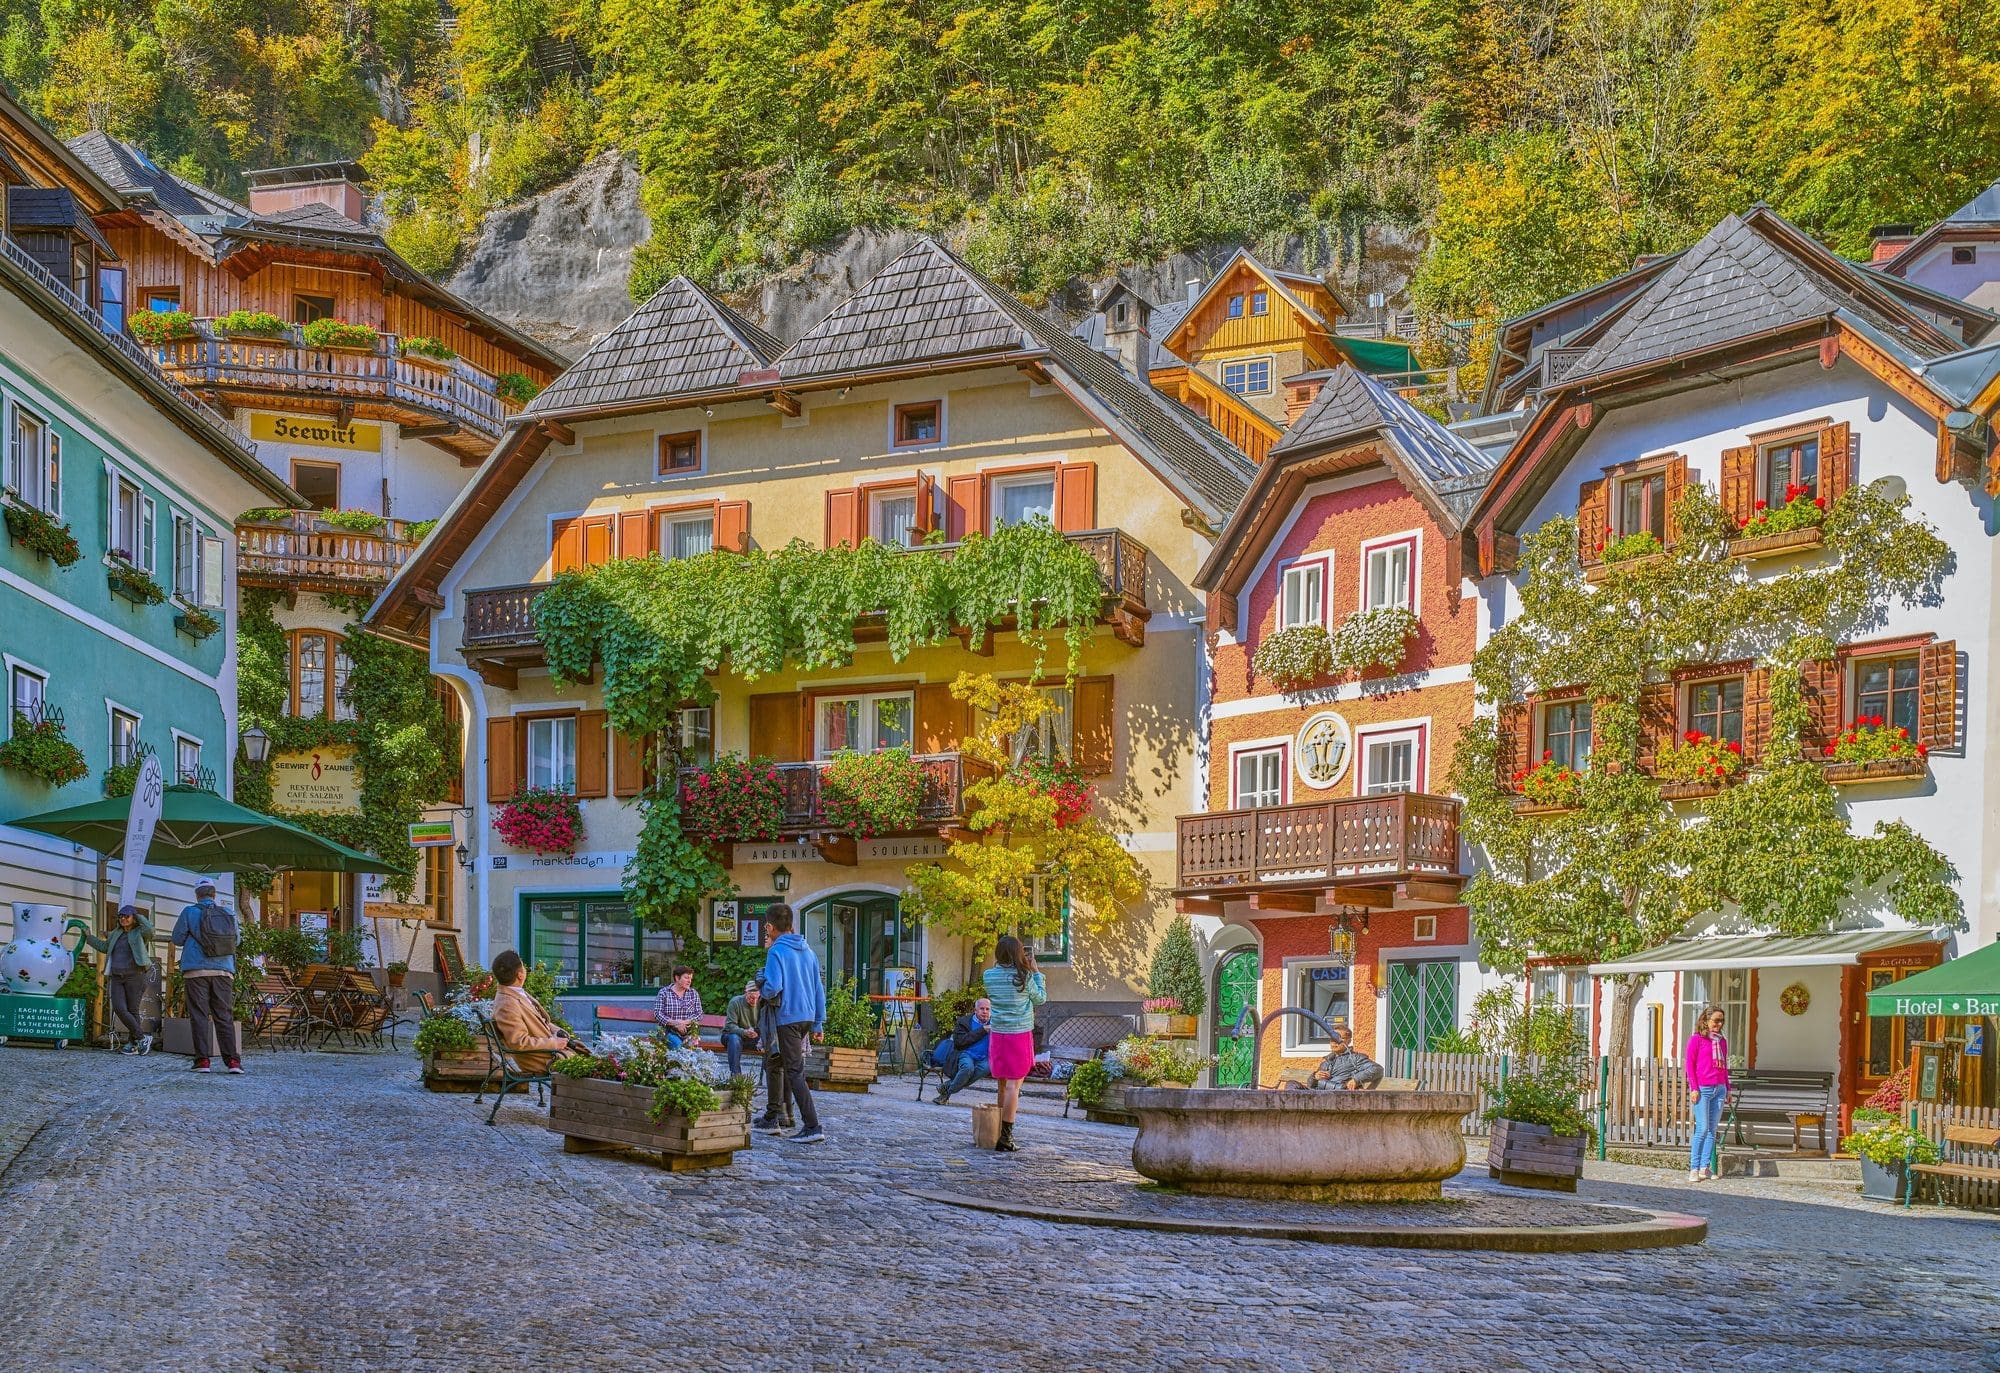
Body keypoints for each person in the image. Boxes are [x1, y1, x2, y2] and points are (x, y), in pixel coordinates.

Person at [757, 904, 827, 1144]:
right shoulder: (809, 952)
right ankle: (771, 1117)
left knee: (795, 1072)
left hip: (787, 1017)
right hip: (806, 1016)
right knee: (774, 1062)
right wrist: (818, 1023)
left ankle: (812, 1125)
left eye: (766, 925)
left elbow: (773, 987)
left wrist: (760, 985)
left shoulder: (776, 951)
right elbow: (819, 990)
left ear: (771, 926)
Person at [981, 937, 1046, 1152]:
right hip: (1019, 1034)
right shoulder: (1025, 977)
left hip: (999, 1034)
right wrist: (1036, 972)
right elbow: (1040, 999)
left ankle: (1000, 1130)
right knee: (1013, 1087)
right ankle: (1006, 1137)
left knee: (1001, 1084)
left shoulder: (989, 976)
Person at [170, 880, 239, 1074]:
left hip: (196, 971)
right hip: (223, 970)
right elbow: (237, 941)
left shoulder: (190, 912)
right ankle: (233, 1062)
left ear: (197, 895)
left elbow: (177, 938)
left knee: (199, 1015)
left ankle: (203, 1061)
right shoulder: (229, 913)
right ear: (214, 895)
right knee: (224, 1015)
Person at [490, 949, 588, 1073]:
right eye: (523, 967)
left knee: (595, 1058)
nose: (526, 969)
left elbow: (537, 1021)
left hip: (549, 1053)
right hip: (543, 1059)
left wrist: (556, 1031)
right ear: (520, 975)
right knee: (595, 1068)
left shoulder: (514, 993)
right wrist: (554, 1044)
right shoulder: (507, 1004)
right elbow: (519, 1042)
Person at [83, 904, 154, 1055]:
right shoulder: (116, 933)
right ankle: (142, 1039)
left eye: (126, 916)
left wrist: (137, 914)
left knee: (133, 1010)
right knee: (120, 1008)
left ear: (133, 918)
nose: (123, 919)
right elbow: (104, 947)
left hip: (135, 975)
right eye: (121, 916)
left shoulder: (139, 933)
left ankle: (133, 1043)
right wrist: (89, 937)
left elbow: (150, 929)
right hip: (116, 976)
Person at [1686, 1003, 1732, 1182]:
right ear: (1706, 1020)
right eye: (1716, 1021)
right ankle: (1694, 1168)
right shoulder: (1697, 1039)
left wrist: (1728, 1088)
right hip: (1703, 1089)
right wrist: (1694, 1088)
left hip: (1719, 1088)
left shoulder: (1722, 1041)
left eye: (1722, 1021)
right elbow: (1690, 1065)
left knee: (1712, 1129)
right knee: (1702, 1128)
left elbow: (1724, 1067)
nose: (1719, 1024)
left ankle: (1705, 1167)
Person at [930, 997, 993, 1104]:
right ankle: (947, 1091)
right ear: (975, 1010)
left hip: (984, 1057)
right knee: (967, 1068)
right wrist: (983, 1030)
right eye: (982, 1009)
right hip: (966, 1053)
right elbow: (960, 1042)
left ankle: (946, 1088)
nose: (985, 1012)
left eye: (987, 1009)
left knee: (987, 1067)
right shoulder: (964, 1022)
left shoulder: (995, 1023)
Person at [1310, 1027, 1384, 1090]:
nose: (1334, 1042)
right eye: (1332, 1038)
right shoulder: (1327, 1060)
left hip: (1341, 1098)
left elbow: (1377, 1069)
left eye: (1339, 1038)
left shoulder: (1355, 1058)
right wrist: (1315, 1077)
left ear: (1349, 1041)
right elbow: (1310, 1086)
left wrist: (1356, 1080)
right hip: (1320, 1097)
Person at [654, 964, 703, 1048]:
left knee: (692, 1048)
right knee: (678, 1046)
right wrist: (676, 1023)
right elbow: (658, 1014)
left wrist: (684, 1022)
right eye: (686, 978)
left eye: (691, 978)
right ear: (677, 978)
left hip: (688, 1031)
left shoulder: (693, 993)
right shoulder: (664, 993)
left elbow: (699, 1014)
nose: (689, 981)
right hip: (668, 1031)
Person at [722, 979, 761, 1077]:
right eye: (751, 997)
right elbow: (730, 1026)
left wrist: (756, 1032)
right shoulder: (735, 1002)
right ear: (746, 993)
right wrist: (744, 1032)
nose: (754, 1001)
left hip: (753, 1037)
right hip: (732, 1036)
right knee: (734, 1038)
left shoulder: (763, 1003)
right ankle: (736, 1076)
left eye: (757, 997)